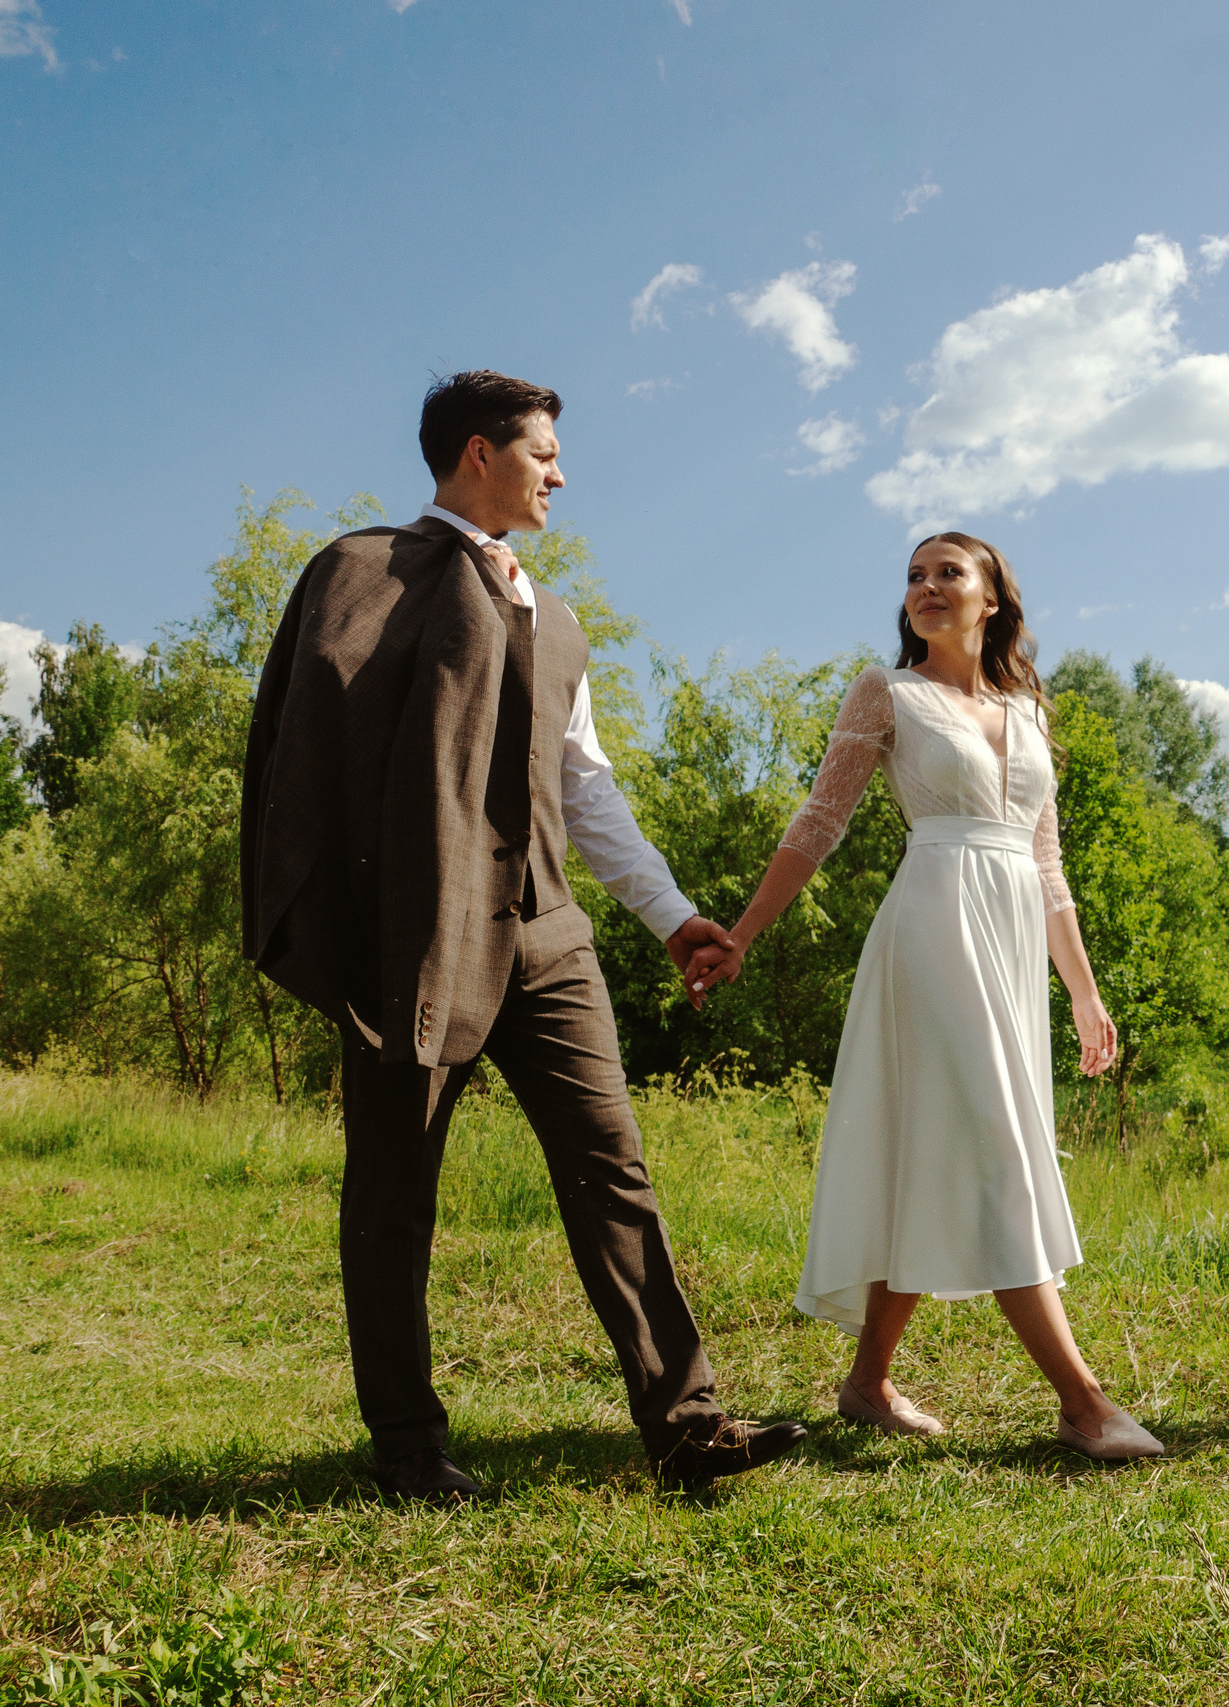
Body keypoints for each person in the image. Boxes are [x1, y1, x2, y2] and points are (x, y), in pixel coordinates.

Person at [241, 370, 807, 1499]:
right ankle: (406, 1450)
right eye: (542, 451)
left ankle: (687, 1425)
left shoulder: (556, 618)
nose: (560, 472)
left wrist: (669, 913)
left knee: (614, 1173)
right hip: (415, 944)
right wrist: (353, 932)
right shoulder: (364, 572)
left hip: (548, 937)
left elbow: (583, 787)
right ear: (473, 453)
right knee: (394, 1198)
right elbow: (308, 764)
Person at [688, 532, 1165, 1460]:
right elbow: (820, 821)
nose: (926, 587)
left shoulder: (1029, 712)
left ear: (993, 597)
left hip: (1015, 938)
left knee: (947, 1148)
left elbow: (1047, 863)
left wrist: (1084, 993)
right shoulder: (886, 692)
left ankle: (867, 1380)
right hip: (933, 928)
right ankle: (1083, 1401)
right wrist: (742, 931)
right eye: (914, 576)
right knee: (991, 1146)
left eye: (949, 572)